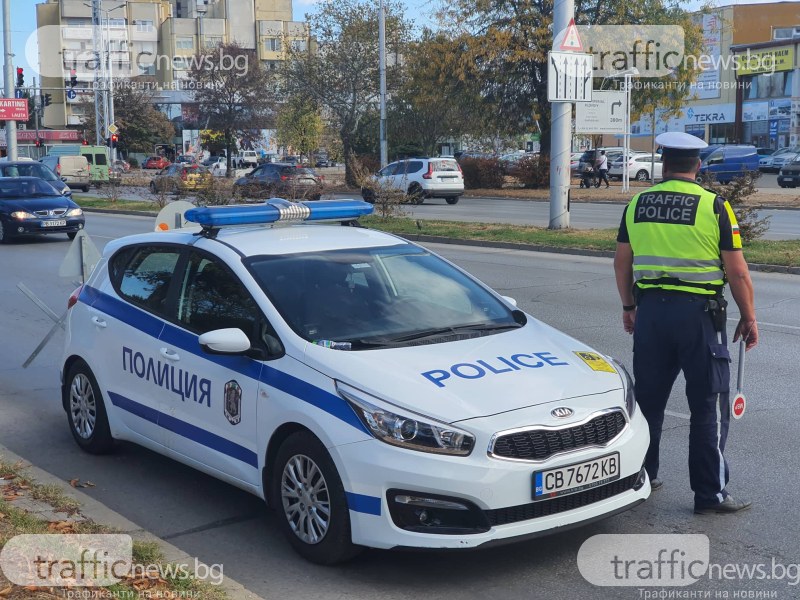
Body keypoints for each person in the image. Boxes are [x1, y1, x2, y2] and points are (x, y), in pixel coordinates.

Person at [613, 131, 758, 515]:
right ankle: (709, 494)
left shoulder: (637, 203)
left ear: (663, 164)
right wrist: (749, 316)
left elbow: (621, 261)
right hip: (698, 317)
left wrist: (629, 305)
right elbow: (738, 272)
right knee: (707, 404)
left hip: (651, 315)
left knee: (647, 401)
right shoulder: (714, 206)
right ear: (697, 165)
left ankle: (644, 475)